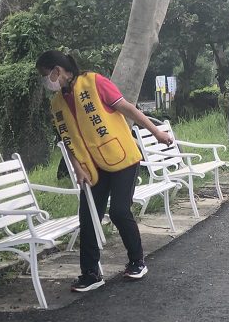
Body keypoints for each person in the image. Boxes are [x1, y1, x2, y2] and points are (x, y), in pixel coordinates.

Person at [35, 50, 173, 292]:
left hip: (122, 158)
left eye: (46, 75)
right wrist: (77, 169)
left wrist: (157, 132)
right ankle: (90, 274)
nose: (46, 81)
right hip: (92, 168)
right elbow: (67, 141)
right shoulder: (57, 104)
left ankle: (137, 261)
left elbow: (128, 109)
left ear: (58, 70)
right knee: (88, 218)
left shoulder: (94, 82)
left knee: (119, 211)